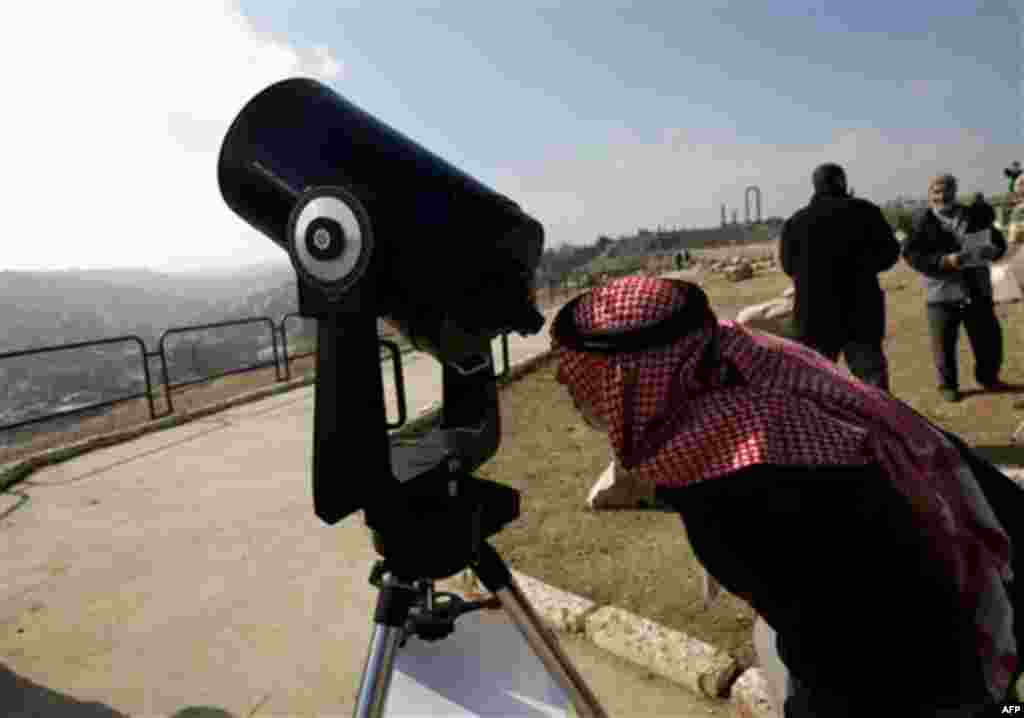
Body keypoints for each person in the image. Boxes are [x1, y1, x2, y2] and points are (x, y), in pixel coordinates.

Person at [550, 275, 1024, 716]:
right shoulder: (753, 363)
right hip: (981, 585)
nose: (567, 388)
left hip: (925, 668)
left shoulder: (739, 472)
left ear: (633, 380)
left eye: (584, 378)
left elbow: (835, 635)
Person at [779, 163, 901, 392]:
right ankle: (881, 426)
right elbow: (890, 254)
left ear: (815, 186)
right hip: (861, 314)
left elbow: (788, 266)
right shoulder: (866, 212)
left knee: (815, 386)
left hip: (814, 317)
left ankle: (821, 428)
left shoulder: (796, 222)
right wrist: (861, 266)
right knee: (873, 387)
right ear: (842, 182)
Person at [902, 173, 1008, 403]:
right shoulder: (921, 221)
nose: (942, 196)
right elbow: (911, 255)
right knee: (943, 345)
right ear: (930, 194)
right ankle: (948, 386)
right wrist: (943, 261)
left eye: (946, 190)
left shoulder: (976, 216)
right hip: (941, 293)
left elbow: (998, 241)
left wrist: (994, 249)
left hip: (977, 289)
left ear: (955, 190)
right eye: (936, 192)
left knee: (988, 340)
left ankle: (989, 378)